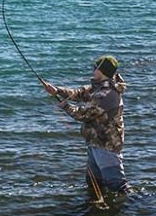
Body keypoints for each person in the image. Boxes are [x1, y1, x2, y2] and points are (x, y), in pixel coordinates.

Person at [41, 55, 130, 194]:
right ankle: (96, 209)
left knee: (118, 186)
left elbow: (82, 115)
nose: (93, 70)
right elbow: (79, 93)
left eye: (95, 67)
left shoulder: (106, 94)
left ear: (101, 71)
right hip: (94, 143)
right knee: (93, 183)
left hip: (106, 145)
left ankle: (136, 207)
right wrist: (57, 90)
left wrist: (65, 106)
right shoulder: (99, 86)